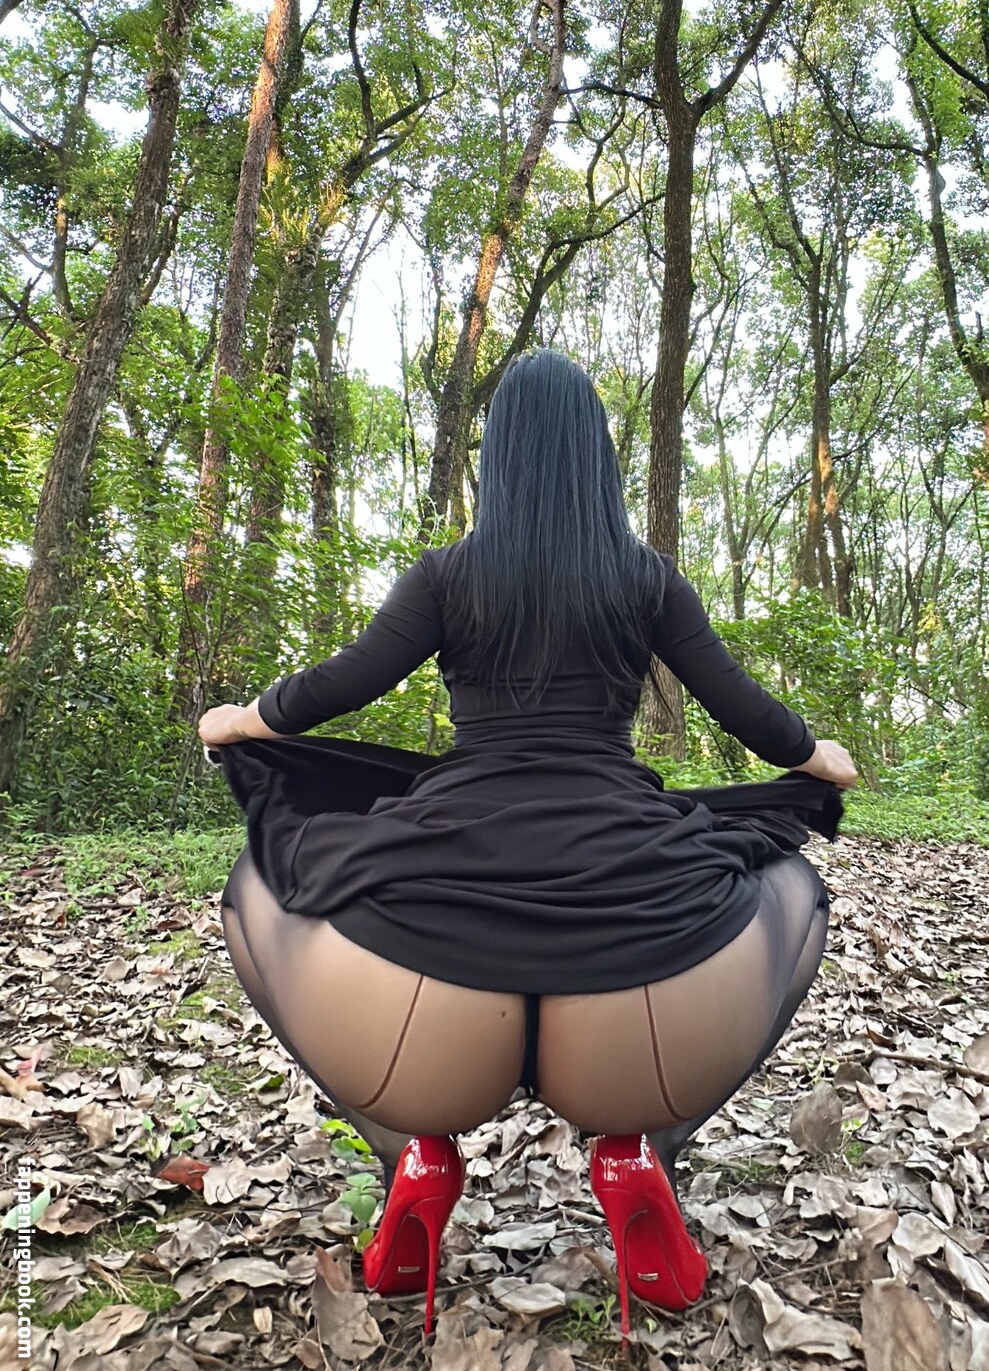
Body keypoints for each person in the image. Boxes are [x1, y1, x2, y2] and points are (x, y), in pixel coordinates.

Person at [198, 349, 856, 1340]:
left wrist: (242, 719)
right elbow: (748, 712)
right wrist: (815, 754)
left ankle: (414, 1161)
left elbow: (339, 683)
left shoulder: (449, 574)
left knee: (256, 880)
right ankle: (640, 1155)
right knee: (796, 888)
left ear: (496, 457)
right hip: (641, 1000)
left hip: (423, 1016)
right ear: (598, 458)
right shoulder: (645, 578)